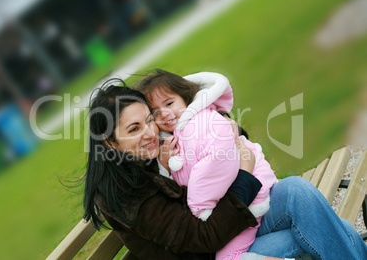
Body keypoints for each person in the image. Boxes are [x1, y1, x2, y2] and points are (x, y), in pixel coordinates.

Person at [83, 80, 367, 259]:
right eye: (134, 128)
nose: (149, 132)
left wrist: (228, 127)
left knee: (297, 192)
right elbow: (201, 237)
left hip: (231, 229)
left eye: (148, 120)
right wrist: (243, 174)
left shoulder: (147, 153)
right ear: (110, 141)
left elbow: (198, 137)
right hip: (215, 251)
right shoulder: (125, 195)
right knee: (322, 228)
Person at [136, 69, 277, 260]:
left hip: (247, 200)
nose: (166, 114)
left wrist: (200, 209)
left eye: (169, 103)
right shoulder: (172, 140)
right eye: (155, 112)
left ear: (185, 99)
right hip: (234, 209)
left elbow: (211, 167)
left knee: (229, 258)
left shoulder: (198, 126)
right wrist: (165, 165)